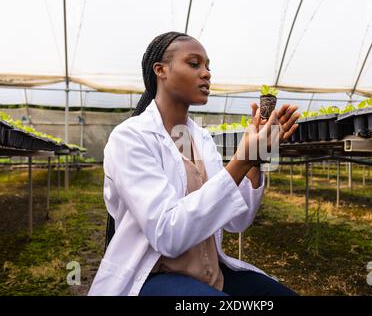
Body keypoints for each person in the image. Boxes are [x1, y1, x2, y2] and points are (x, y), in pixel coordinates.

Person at [88, 31, 300, 296]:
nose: (206, 73)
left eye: (208, 66)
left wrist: (255, 162)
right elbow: (168, 235)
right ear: (161, 70)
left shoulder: (198, 138)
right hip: (154, 275)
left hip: (208, 272)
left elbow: (237, 221)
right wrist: (240, 160)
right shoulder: (131, 138)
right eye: (194, 63)